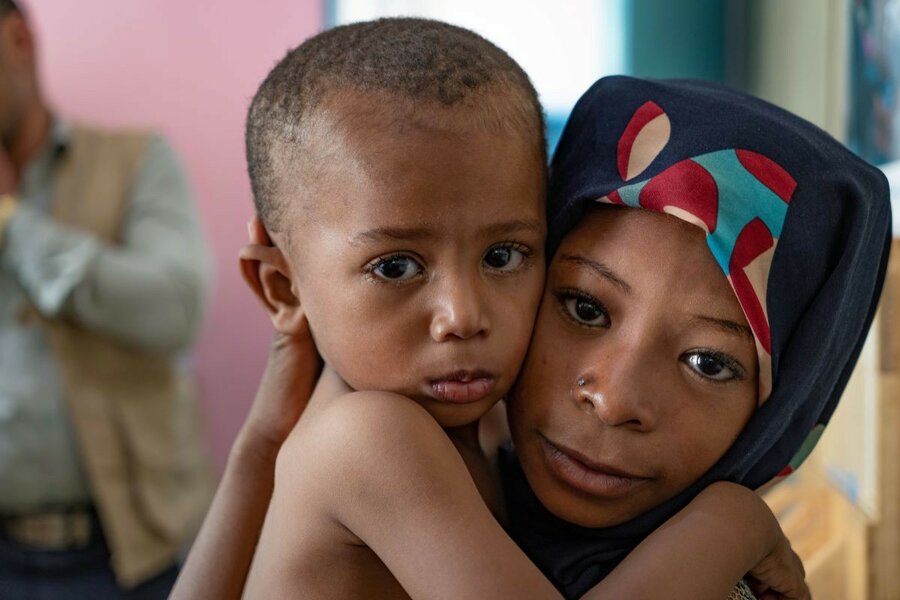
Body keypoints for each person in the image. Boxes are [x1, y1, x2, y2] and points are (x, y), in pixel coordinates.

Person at [174, 19, 808, 600]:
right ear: (284, 289)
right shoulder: (371, 437)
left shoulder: (475, 423)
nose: (463, 315)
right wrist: (733, 522)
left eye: (504, 256)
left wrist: (261, 443)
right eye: (396, 267)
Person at [0, 1, 214, 597]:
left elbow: (176, 310)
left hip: (127, 555)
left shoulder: (139, 160)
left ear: (17, 39)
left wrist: (13, 222)